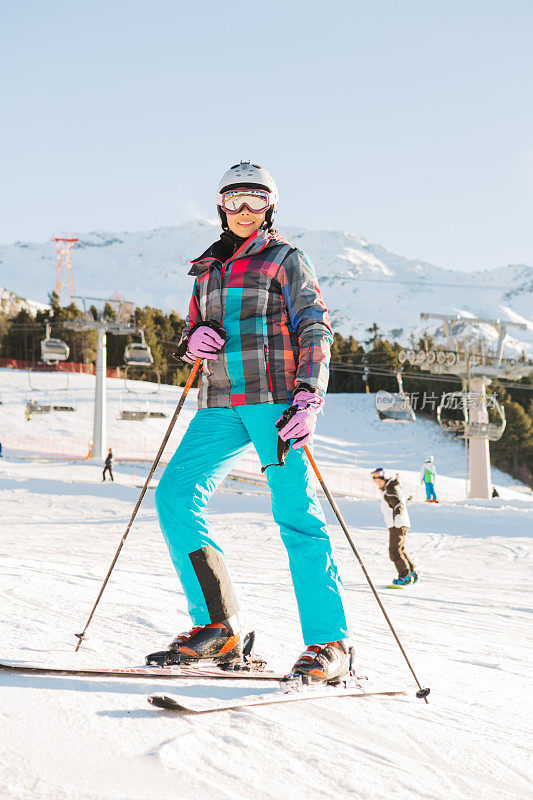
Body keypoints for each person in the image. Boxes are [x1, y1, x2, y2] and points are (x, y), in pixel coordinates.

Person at [150, 161, 349, 684]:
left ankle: (330, 643)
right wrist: (190, 342)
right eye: (233, 199)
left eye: (255, 200)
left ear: (270, 207)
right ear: (220, 206)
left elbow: (315, 324)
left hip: (276, 402)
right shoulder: (206, 268)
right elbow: (195, 328)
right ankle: (217, 626)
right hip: (219, 403)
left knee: (296, 515)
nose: (243, 211)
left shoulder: (285, 258)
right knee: (173, 495)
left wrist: (310, 395)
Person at [371, 467, 417, 586]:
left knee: (394, 551)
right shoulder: (391, 488)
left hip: (397, 523)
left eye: (379, 481)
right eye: (376, 482)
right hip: (400, 523)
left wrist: (398, 517)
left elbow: (397, 504)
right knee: (400, 549)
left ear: (384, 478)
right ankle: (412, 572)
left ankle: (405, 576)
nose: (378, 483)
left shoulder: (390, 490)